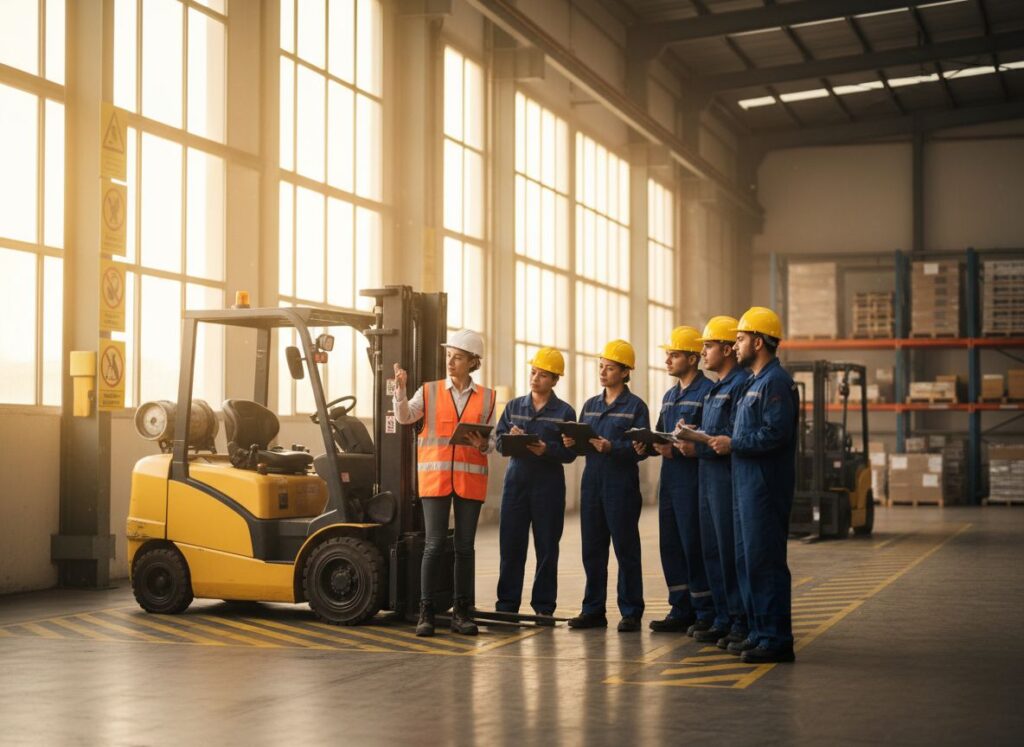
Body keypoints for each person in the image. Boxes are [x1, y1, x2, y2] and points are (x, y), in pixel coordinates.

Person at [707, 306, 799, 664]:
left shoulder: (775, 382)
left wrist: (733, 444)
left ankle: (777, 638)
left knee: (765, 561)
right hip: (745, 484)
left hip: (764, 486)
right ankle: (759, 632)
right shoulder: (753, 383)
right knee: (747, 560)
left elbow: (776, 434)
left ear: (758, 341)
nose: (737, 345)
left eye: (741, 339)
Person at [393, 329, 496, 638]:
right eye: (448, 356)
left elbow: (492, 443)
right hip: (436, 478)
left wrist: (482, 445)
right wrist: (399, 390)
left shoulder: (488, 397)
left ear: (473, 362)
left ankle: (461, 613)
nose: (450, 362)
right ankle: (426, 612)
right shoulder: (428, 391)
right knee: (434, 545)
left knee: (465, 548)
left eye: (458, 357)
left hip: (470, 479)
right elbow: (404, 417)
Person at [564, 340, 650, 633]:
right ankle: (593, 609)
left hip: (621, 484)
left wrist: (612, 447)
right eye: (601, 366)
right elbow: (581, 443)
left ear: (625, 372)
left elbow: (642, 448)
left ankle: (631, 611)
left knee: (626, 548)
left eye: (610, 368)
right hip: (592, 484)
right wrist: (572, 443)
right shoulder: (590, 405)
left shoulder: (636, 406)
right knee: (593, 549)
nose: (603, 372)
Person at [639, 326, 716, 634]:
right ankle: (680, 606)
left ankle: (705, 610)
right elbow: (661, 431)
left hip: (693, 479)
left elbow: (709, 436)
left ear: (693, 359)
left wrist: (688, 449)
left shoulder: (707, 392)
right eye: (667, 354)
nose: (668, 360)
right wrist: (649, 444)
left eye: (674, 355)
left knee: (693, 543)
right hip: (669, 480)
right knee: (670, 544)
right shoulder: (670, 395)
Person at [494, 348, 577, 622]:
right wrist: (510, 438)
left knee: (547, 547)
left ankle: (544, 606)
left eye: (543, 375)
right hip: (516, 483)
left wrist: (547, 450)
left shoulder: (565, 411)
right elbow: (497, 442)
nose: (535, 378)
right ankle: (507, 605)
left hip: (548, 486)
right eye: (533, 372)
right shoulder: (514, 406)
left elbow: (570, 453)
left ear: (554, 380)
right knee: (511, 546)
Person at [693, 316, 750, 649]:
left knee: (729, 551)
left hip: (725, 475)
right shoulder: (716, 387)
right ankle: (723, 617)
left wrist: (706, 439)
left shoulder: (740, 384)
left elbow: (736, 434)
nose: (703, 352)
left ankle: (740, 620)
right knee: (712, 549)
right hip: (706, 472)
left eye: (709, 346)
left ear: (728, 349)